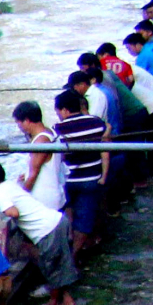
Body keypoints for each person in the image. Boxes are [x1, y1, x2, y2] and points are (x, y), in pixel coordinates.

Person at [0, 160, 78, 305]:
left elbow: (13, 212)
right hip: (58, 220)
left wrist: (0, 209)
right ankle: (67, 300)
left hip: (47, 229)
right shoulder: (10, 185)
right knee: (58, 264)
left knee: (51, 267)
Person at [52, 87, 110, 253]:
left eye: (58, 111)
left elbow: (59, 157)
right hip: (92, 178)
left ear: (64, 109)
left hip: (68, 181)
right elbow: (105, 146)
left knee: (70, 215)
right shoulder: (97, 122)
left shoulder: (58, 129)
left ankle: (71, 252)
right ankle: (76, 252)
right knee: (85, 218)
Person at [11, 100, 67, 211]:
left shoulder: (40, 141)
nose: (19, 127)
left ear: (26, 121)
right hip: (54, 193)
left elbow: (33, 175)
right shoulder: (51, 133)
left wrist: (19, 199)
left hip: (44, 200)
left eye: (19, 123)